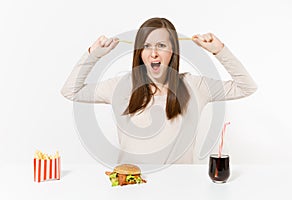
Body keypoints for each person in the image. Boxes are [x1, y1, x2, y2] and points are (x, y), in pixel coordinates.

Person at [61, 17, 257, 164]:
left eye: (161, 45)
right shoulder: (122, 86)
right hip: (132, 188)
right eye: (146, 46)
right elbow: (71, 91)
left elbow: (246, 87)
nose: (153, 53)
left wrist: (219, 51)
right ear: (140, 52)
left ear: (173, 51)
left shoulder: (194, 86)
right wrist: (92, 55)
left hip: (180, 189)